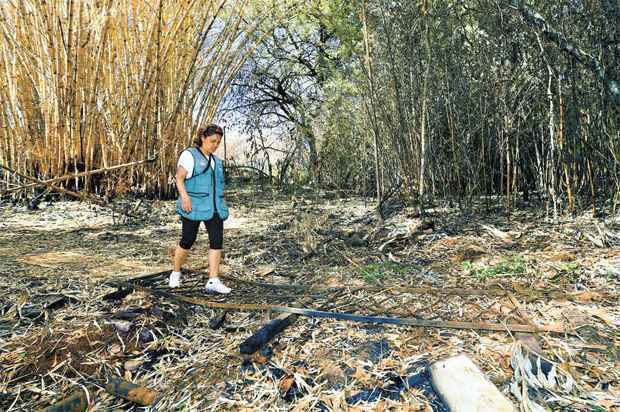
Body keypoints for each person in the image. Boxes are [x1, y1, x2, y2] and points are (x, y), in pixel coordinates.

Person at [169, 124, 231, 294]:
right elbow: (179, 179)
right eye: (212, 141)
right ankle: (175, 272)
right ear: (203, 138)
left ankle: (213, 280)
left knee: (216, 241)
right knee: (187, 240)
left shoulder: (217, 162)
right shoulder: (189, 155)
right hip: (193, 205)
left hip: (215, 207)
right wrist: (185, 197)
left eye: (218, 142)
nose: (215, 145)